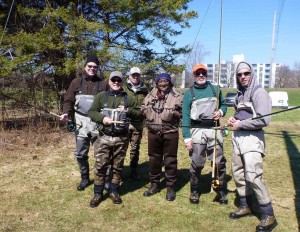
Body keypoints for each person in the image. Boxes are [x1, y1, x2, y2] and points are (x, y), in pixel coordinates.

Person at [227, 61, 277, 232]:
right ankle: (245, 206)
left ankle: (268, 215)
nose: (243, 77)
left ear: (252, 74)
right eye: (240, 74)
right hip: (238, 138)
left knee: (253, 176)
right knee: (238, 173)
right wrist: (233, 120)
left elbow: (264, 119)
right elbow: (240, 114)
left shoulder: (259, 92)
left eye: (246, 73)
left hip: (252, 139)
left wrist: (241, 124)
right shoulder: (239, 94)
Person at [88, 71, 141, 208]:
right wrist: (102, 118)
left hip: (121, 138)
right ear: (109, 81)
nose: (116, 82)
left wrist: (127, 110)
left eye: (118, 80)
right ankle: (98, 193)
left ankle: (113, 191)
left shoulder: (128, 98)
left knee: (117, 167)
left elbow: (139, 114)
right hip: (103, 137)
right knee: (100, 166)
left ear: (122, 82)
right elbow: (92, 112)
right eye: (113, 80)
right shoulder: (101, 96)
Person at [181, 64, 228, 205]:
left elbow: (224, 105)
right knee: (197, 162)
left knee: (219, 162)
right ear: (194, 76)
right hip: (197, 131)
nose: (201, 75)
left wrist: (221, 112)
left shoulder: (215, 89)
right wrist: (187, 137)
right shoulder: (189, 93)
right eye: (198, 73)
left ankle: (220, 189)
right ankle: (194, 190)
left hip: (214, 130)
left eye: (203, 73)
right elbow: (185, 116)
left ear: (206, 74)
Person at [60, 55, 107, 191]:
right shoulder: (76, 82)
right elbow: (68, 100)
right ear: (85, 67)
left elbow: (108, 102)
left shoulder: (103, 84)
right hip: (81, 123)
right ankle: (85, 178)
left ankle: (103, 179)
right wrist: (66, 113)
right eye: (89, 66)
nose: (92, 69)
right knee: (80, 153)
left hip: (97, 123)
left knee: (101, 153)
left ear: (97, 68)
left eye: (94, 67)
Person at [141, 73, 182, 201]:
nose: (163, 84)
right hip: (153, 132)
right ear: (156, 83)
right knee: (154, 159)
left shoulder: (178, 96)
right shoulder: (150, 95)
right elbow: (143, 107)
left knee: (170, 160)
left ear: (169, 82)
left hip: (171, 132)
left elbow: (182, 111)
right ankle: (154, 184)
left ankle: (170, 186)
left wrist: (175, 113)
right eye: (160, 82)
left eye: (165, 81)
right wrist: (143, 111)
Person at [122, 67, 148, 180]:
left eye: (137, 75)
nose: (135, 77)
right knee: (121, 147)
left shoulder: (145, 89)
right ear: (129, 76)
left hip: (138, 123)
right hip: (124, 122)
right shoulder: (123, 88)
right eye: (133, 75)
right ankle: (119, 171)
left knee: (135, 148)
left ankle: (133, 170)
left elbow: (147, 105)